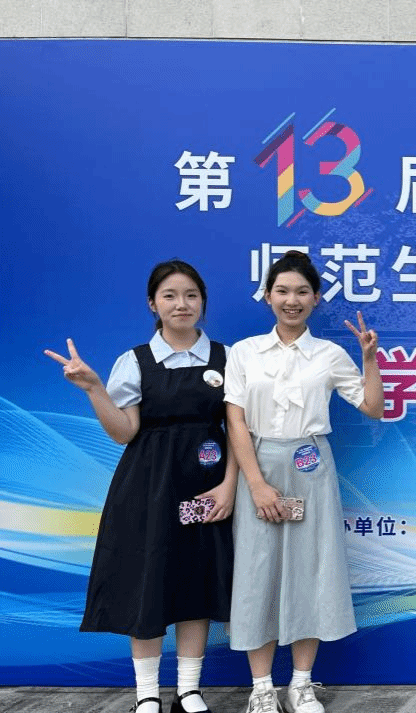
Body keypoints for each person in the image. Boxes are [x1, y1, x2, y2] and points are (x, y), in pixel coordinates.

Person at [44, 260, 236, 713]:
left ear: (203, 302)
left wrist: (230, 485)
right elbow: (124, 431)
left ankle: (188, 690)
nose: (181, 304)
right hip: (148, 487)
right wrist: (94, 389)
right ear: (153, 303)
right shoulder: (135, 361)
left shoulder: (227, 358)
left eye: (191, 295)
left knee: (196, 580)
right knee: (147, 581)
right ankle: (146, 694)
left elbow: (239, 429)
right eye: (170, 295)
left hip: (206, 486)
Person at [224, 250, 384, 713]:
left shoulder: (329, 355)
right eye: (282, 291)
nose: (291, 300)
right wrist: (256, 484)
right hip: (258, 461)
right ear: (267, 296)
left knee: (311, 570)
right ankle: (261, 689)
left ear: (315, 298)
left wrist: (369, 359)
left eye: (301, 292)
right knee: (256, 572)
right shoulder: (244, 352)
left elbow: (373, 408)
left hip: (312, 465)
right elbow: (235, 421)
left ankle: (300, 683)